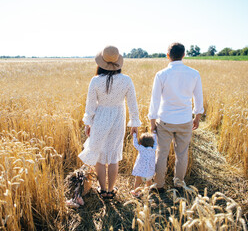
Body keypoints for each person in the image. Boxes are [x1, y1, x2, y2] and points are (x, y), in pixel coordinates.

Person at [78, 45, 141, 199]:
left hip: (100, 118)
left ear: (101, 63)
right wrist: (134, 124)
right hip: (118, 118)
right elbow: (133, 104)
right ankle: (110, 191)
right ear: (118, 62)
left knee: (99, 155)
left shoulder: (95, 81)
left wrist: (88, 124)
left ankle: (102, 188)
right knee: (113, 157)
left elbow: (90, 106)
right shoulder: (126, 80)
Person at [148, 42, 204, 192]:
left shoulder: (161, 74)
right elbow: (198, 98)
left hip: (164, 120)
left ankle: (159, 185)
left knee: (161, 153)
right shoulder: (194, 73)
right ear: (184, 55)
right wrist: (197, 117)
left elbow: (155, 100)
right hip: (185, 120)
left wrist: (152, 121)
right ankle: (179, 184)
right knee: (182, 153)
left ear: (168, 55)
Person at [130, 132, 157, 197]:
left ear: (141, 143)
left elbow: (135, 144)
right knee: (149, 181)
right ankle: (148, 190)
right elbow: (156, 142)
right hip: (150, 171)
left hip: (140, 171)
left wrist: (134, 135)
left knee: (137, 181)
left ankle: (136, 192)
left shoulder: (141, 148)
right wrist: (154, 134)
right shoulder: (153, 149)